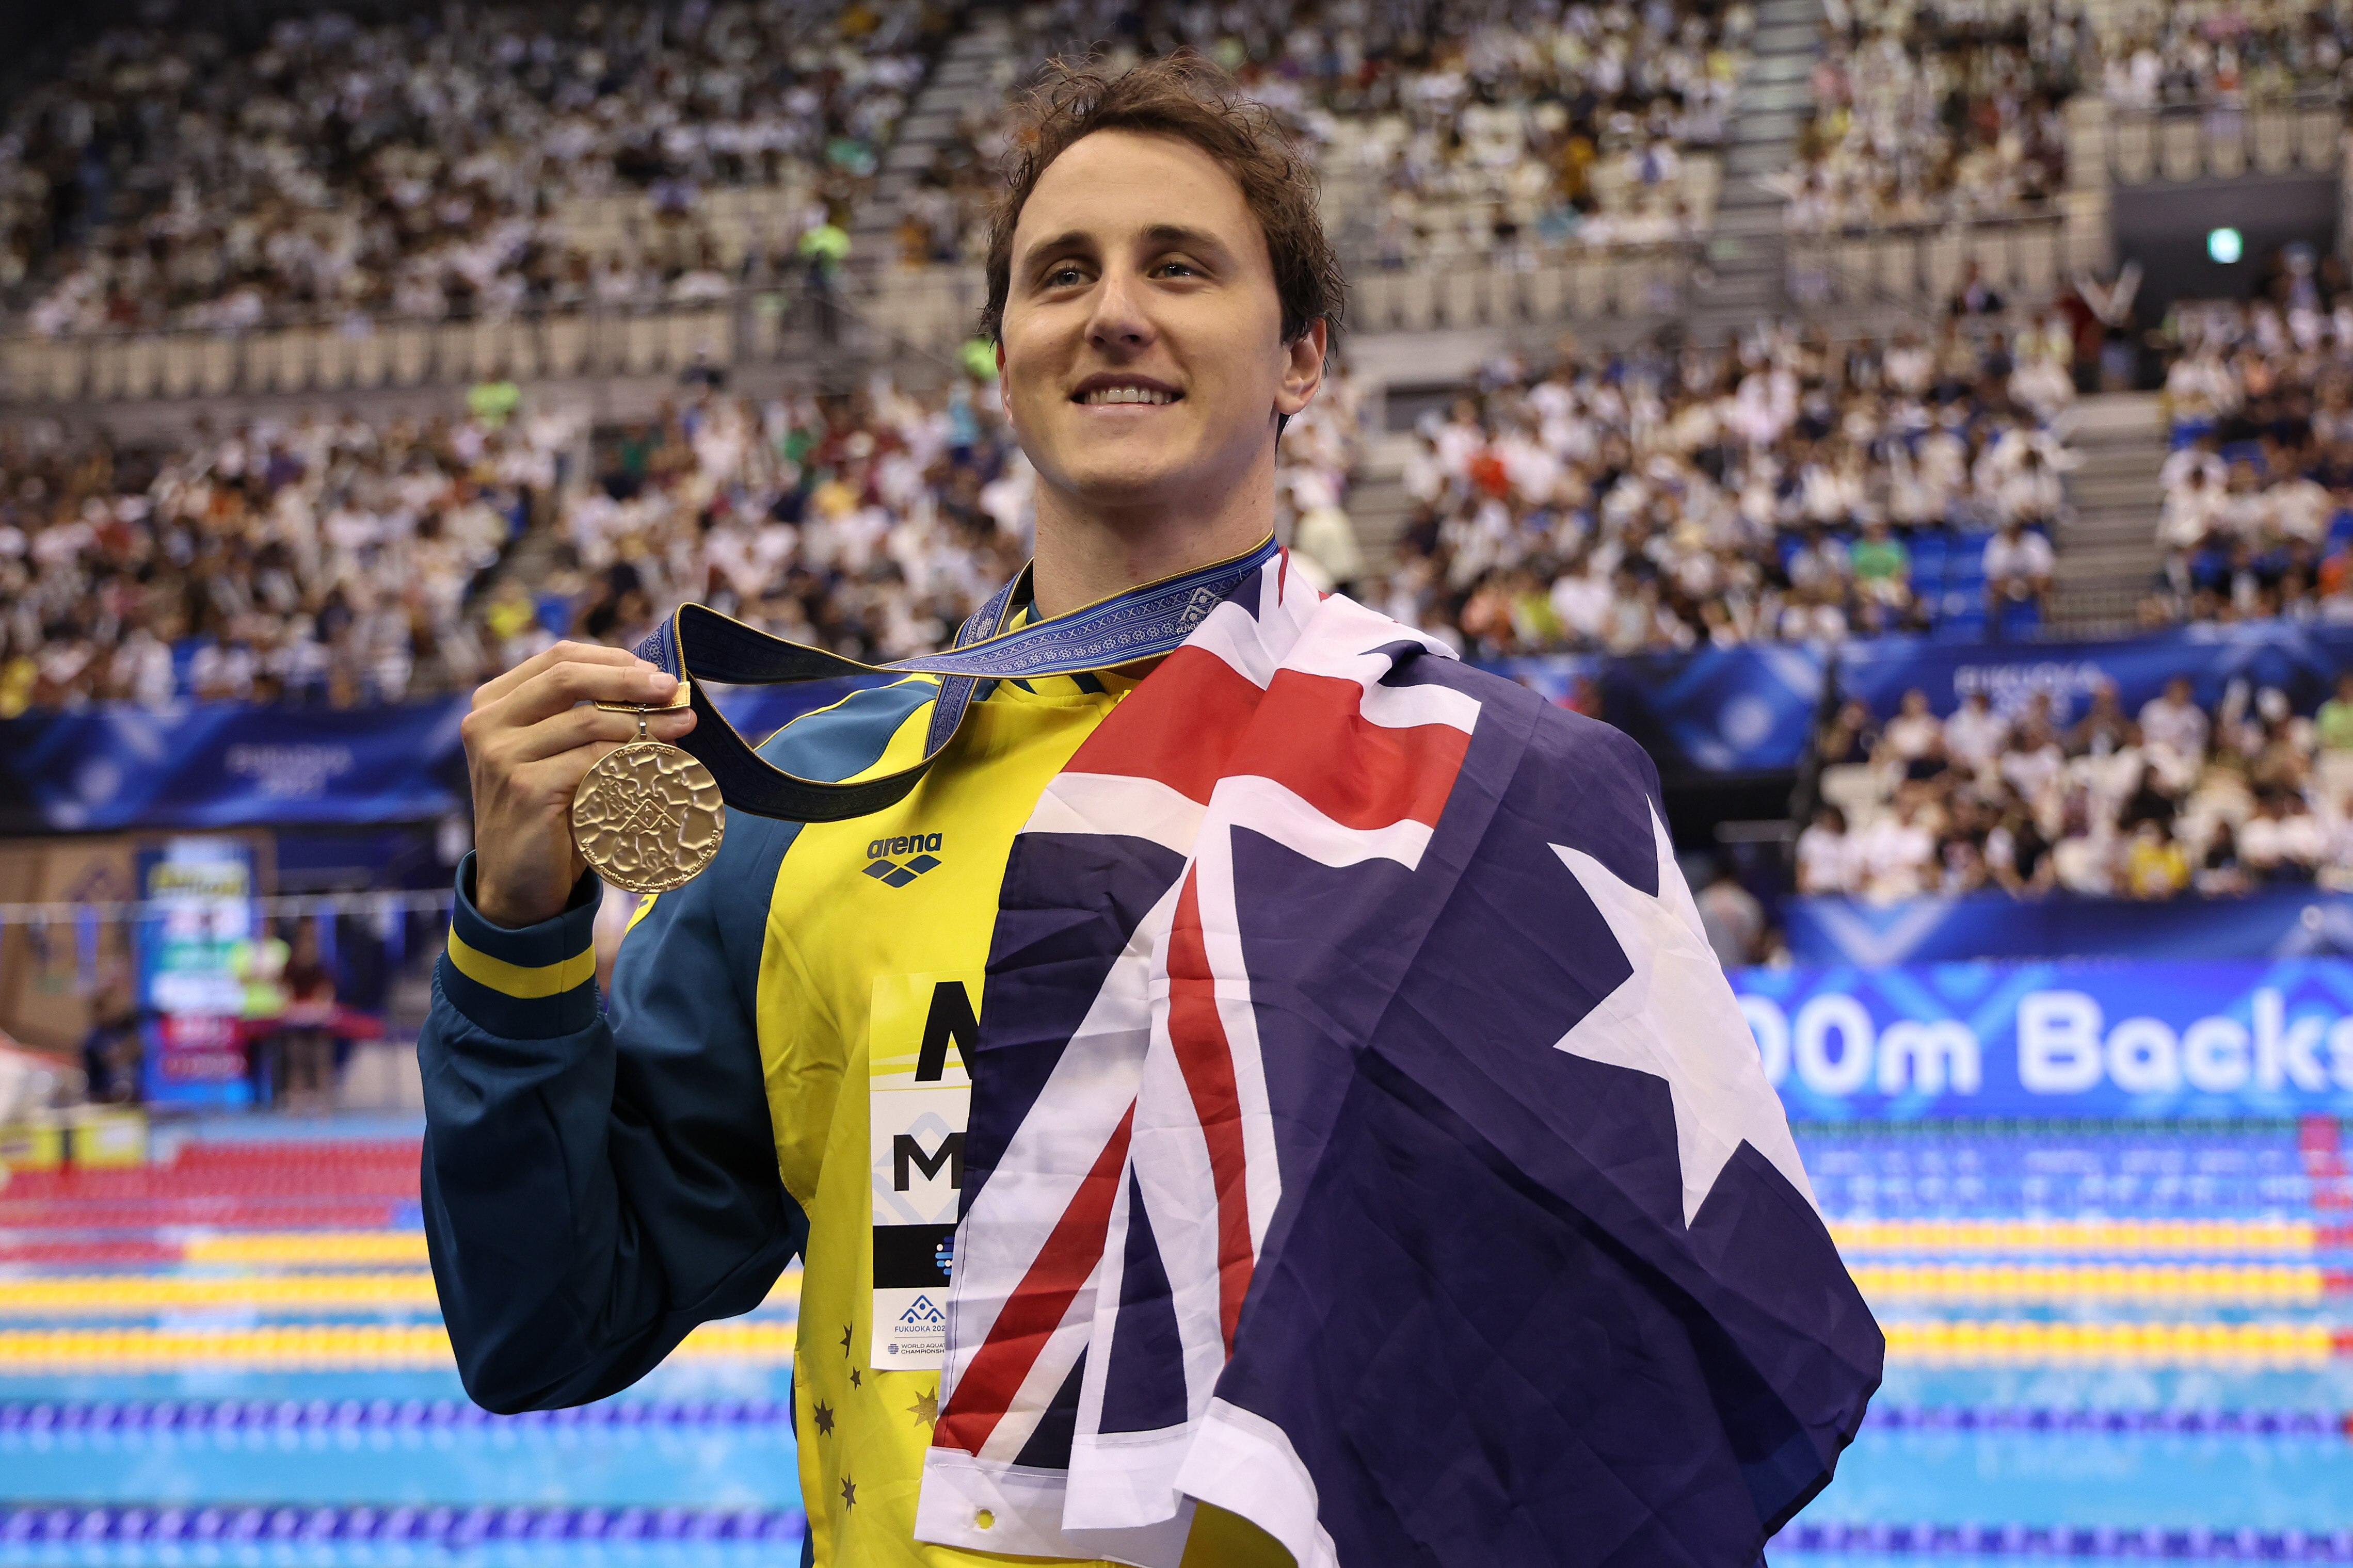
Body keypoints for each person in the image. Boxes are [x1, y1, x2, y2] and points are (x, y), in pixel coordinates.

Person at [418, 56, 1875, 1568]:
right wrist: (517, 941)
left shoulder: (1492, 788)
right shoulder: (821, 807)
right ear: (1004, 356)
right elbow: (544, 1328)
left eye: (1179, 266)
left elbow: (1613, 1372)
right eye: (1062, 274)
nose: (1114, 308)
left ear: (1302, 356)